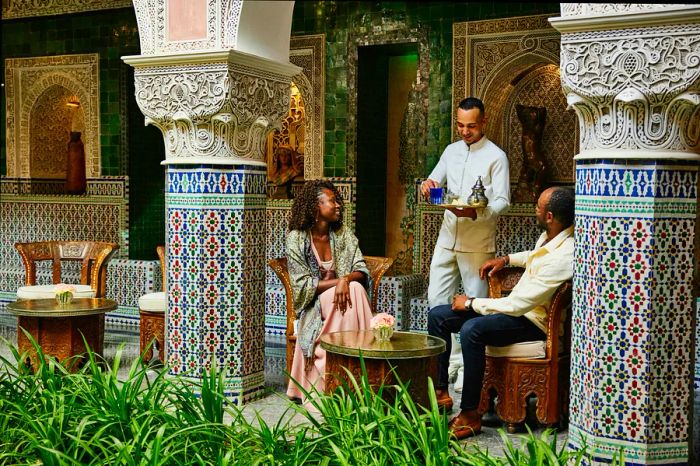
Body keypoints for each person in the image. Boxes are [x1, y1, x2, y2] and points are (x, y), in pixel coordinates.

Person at [428, 186, 575, 439]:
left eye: (538, 208)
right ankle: (442, 392)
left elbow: (517, 305)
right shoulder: (550, 238)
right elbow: (533, 257)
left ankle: (470, 414)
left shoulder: (566, 254)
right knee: (438, 316)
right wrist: (506, 259)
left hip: (533, 322)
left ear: (550, 217)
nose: (534, 210)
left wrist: (472, 303)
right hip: (516, 314)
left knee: (472, 329)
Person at [419, 97, 510, 394]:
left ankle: (462, 366)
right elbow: (434, 180)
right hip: (447, 239)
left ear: (482, 123)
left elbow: (503, 201)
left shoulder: (496, 156)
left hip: (478, 242)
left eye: (471, 125)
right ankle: (441, 368)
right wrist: (427, 185)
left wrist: (480, 211)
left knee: (473, 307)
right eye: (460, 124)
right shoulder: (451, 151)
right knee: (437, 302)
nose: (465, 131)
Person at [285, 179, 374, 408]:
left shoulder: (343, 234)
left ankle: (346, 369)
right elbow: (302, 286)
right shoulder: (297, 238)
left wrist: (345, 280)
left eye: (337, 201)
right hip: (315, 306)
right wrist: (339, 283)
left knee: (354, 287)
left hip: (344, 303)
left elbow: (361, 270)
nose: (338, 206)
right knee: (352, 290)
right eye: (332, 201)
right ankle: (342, 372)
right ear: (316, 206)